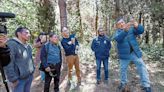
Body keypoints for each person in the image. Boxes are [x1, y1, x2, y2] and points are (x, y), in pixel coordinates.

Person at [113, 17, 151, 92]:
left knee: (142, 68)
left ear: (124, 23)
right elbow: (118, 39)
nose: (121, 24)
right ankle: (123, 83)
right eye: (119, 23)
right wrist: (125, 31)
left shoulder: (131, 29)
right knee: (123, 70)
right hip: (124, 55)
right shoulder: (117, 32)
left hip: (134, 53)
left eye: (122, 22)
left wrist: (137, 25)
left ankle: (146, 85)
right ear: (117, 26)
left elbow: (141, 31)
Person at [4, 27, 35, 92]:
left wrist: (32, 70)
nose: (29, 35)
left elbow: (30, 59)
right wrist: (13, 79)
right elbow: (8, 63)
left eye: (29, 33)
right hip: (18, 80)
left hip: (29, 77)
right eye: (26, 33)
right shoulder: (11, 44)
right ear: (19, 34)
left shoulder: (28, 46)